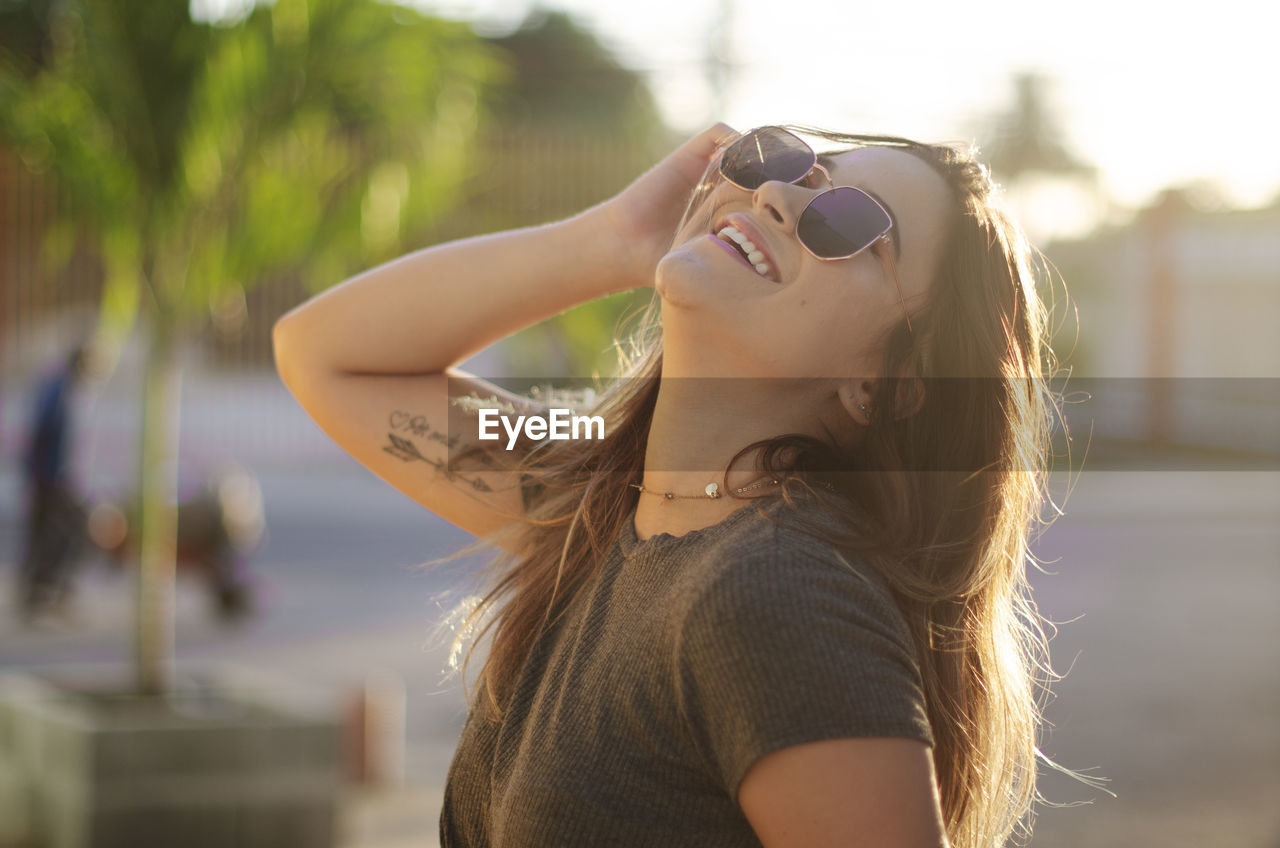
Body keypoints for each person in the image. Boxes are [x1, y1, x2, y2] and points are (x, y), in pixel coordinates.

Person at [273, 122, 1070, 847]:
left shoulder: (780, 597)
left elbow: (328, 359)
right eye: (797, 164)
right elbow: (323, 353)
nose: (780, 194)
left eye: (853, 225)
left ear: (887, 386)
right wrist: (613, 239)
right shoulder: (597, 503)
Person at [16, 341, 93, 621]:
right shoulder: (60, 390)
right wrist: (49, 477)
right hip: (50, 480)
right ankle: (45, 595)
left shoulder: (63, 388)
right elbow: (44, 435)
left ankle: (39, 596)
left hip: (48, 478)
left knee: (46, 537)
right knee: (61, 535)